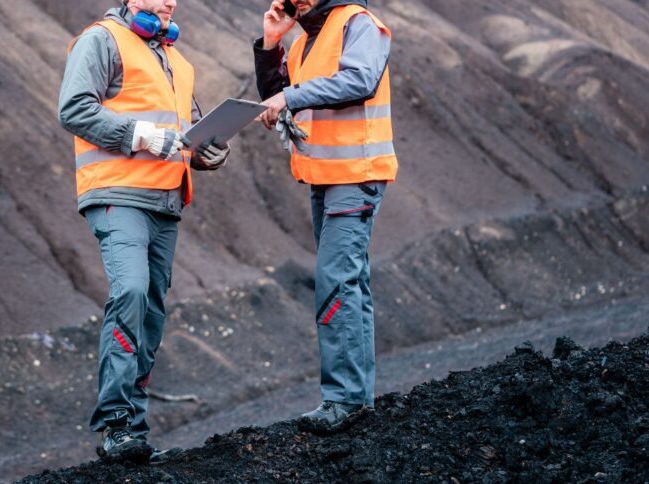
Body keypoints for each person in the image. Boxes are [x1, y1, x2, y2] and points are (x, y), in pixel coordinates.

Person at [58, 0, 230, 458]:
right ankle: (114, 424)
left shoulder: (177, 59)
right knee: (131, 291)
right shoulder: (101, 39)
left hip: (167, 199)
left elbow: (185, 132)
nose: (170, 1)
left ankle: (133, 429)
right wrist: (139, 135)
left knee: (151, 311)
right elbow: (73, 109)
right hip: (117, 194)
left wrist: (205, 151)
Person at [254, 0, 398, 428]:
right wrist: (270, 44)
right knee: (350, 282)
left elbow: (360, 80)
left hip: (356, 174)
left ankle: (345, 399)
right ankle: (357, 398)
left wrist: (289, 96)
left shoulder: (359, 23)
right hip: (326, 176)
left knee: (336, 280)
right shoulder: (304, 43)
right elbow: (276, 96)